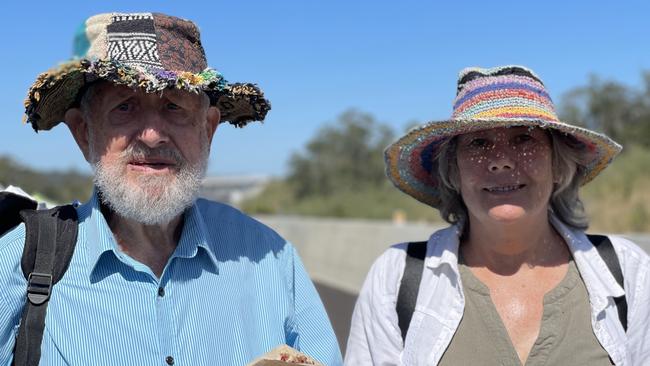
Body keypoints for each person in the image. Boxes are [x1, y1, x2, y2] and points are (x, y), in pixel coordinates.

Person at [0, 12, 342, 365]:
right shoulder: (18, 264)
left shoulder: (270, 259)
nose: (152, 135)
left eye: (174, 106)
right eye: (125, 106)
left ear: (208, 129)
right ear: (84, 132)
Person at [345, 66, 650, 365]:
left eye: (524, 139)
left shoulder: (627, 272)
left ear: (558, 165)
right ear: (454, 171)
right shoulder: (397, 277)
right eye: (478, 143)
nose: (501, 161)